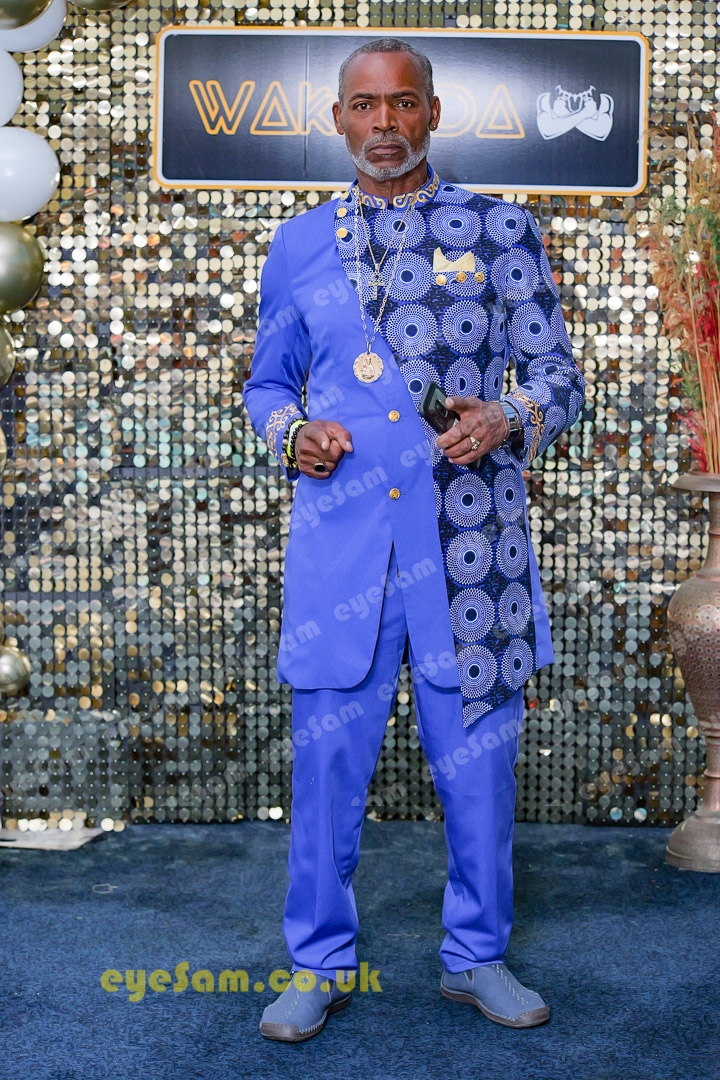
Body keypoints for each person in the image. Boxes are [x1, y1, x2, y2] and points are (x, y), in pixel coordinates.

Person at [242, 36, 585, 1042]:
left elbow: (559, 378)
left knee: (479, 776)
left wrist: (509, 418)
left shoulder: (501, 227)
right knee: (324, 777)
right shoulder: (299, 244)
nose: (384, 124)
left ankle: (476, 956)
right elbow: (266, 385)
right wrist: (293, 434)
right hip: (342, 550)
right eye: (364, 105)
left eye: (402, 103)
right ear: (338, 120)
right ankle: (318, 962)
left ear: (432, 112)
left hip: (471, 550)